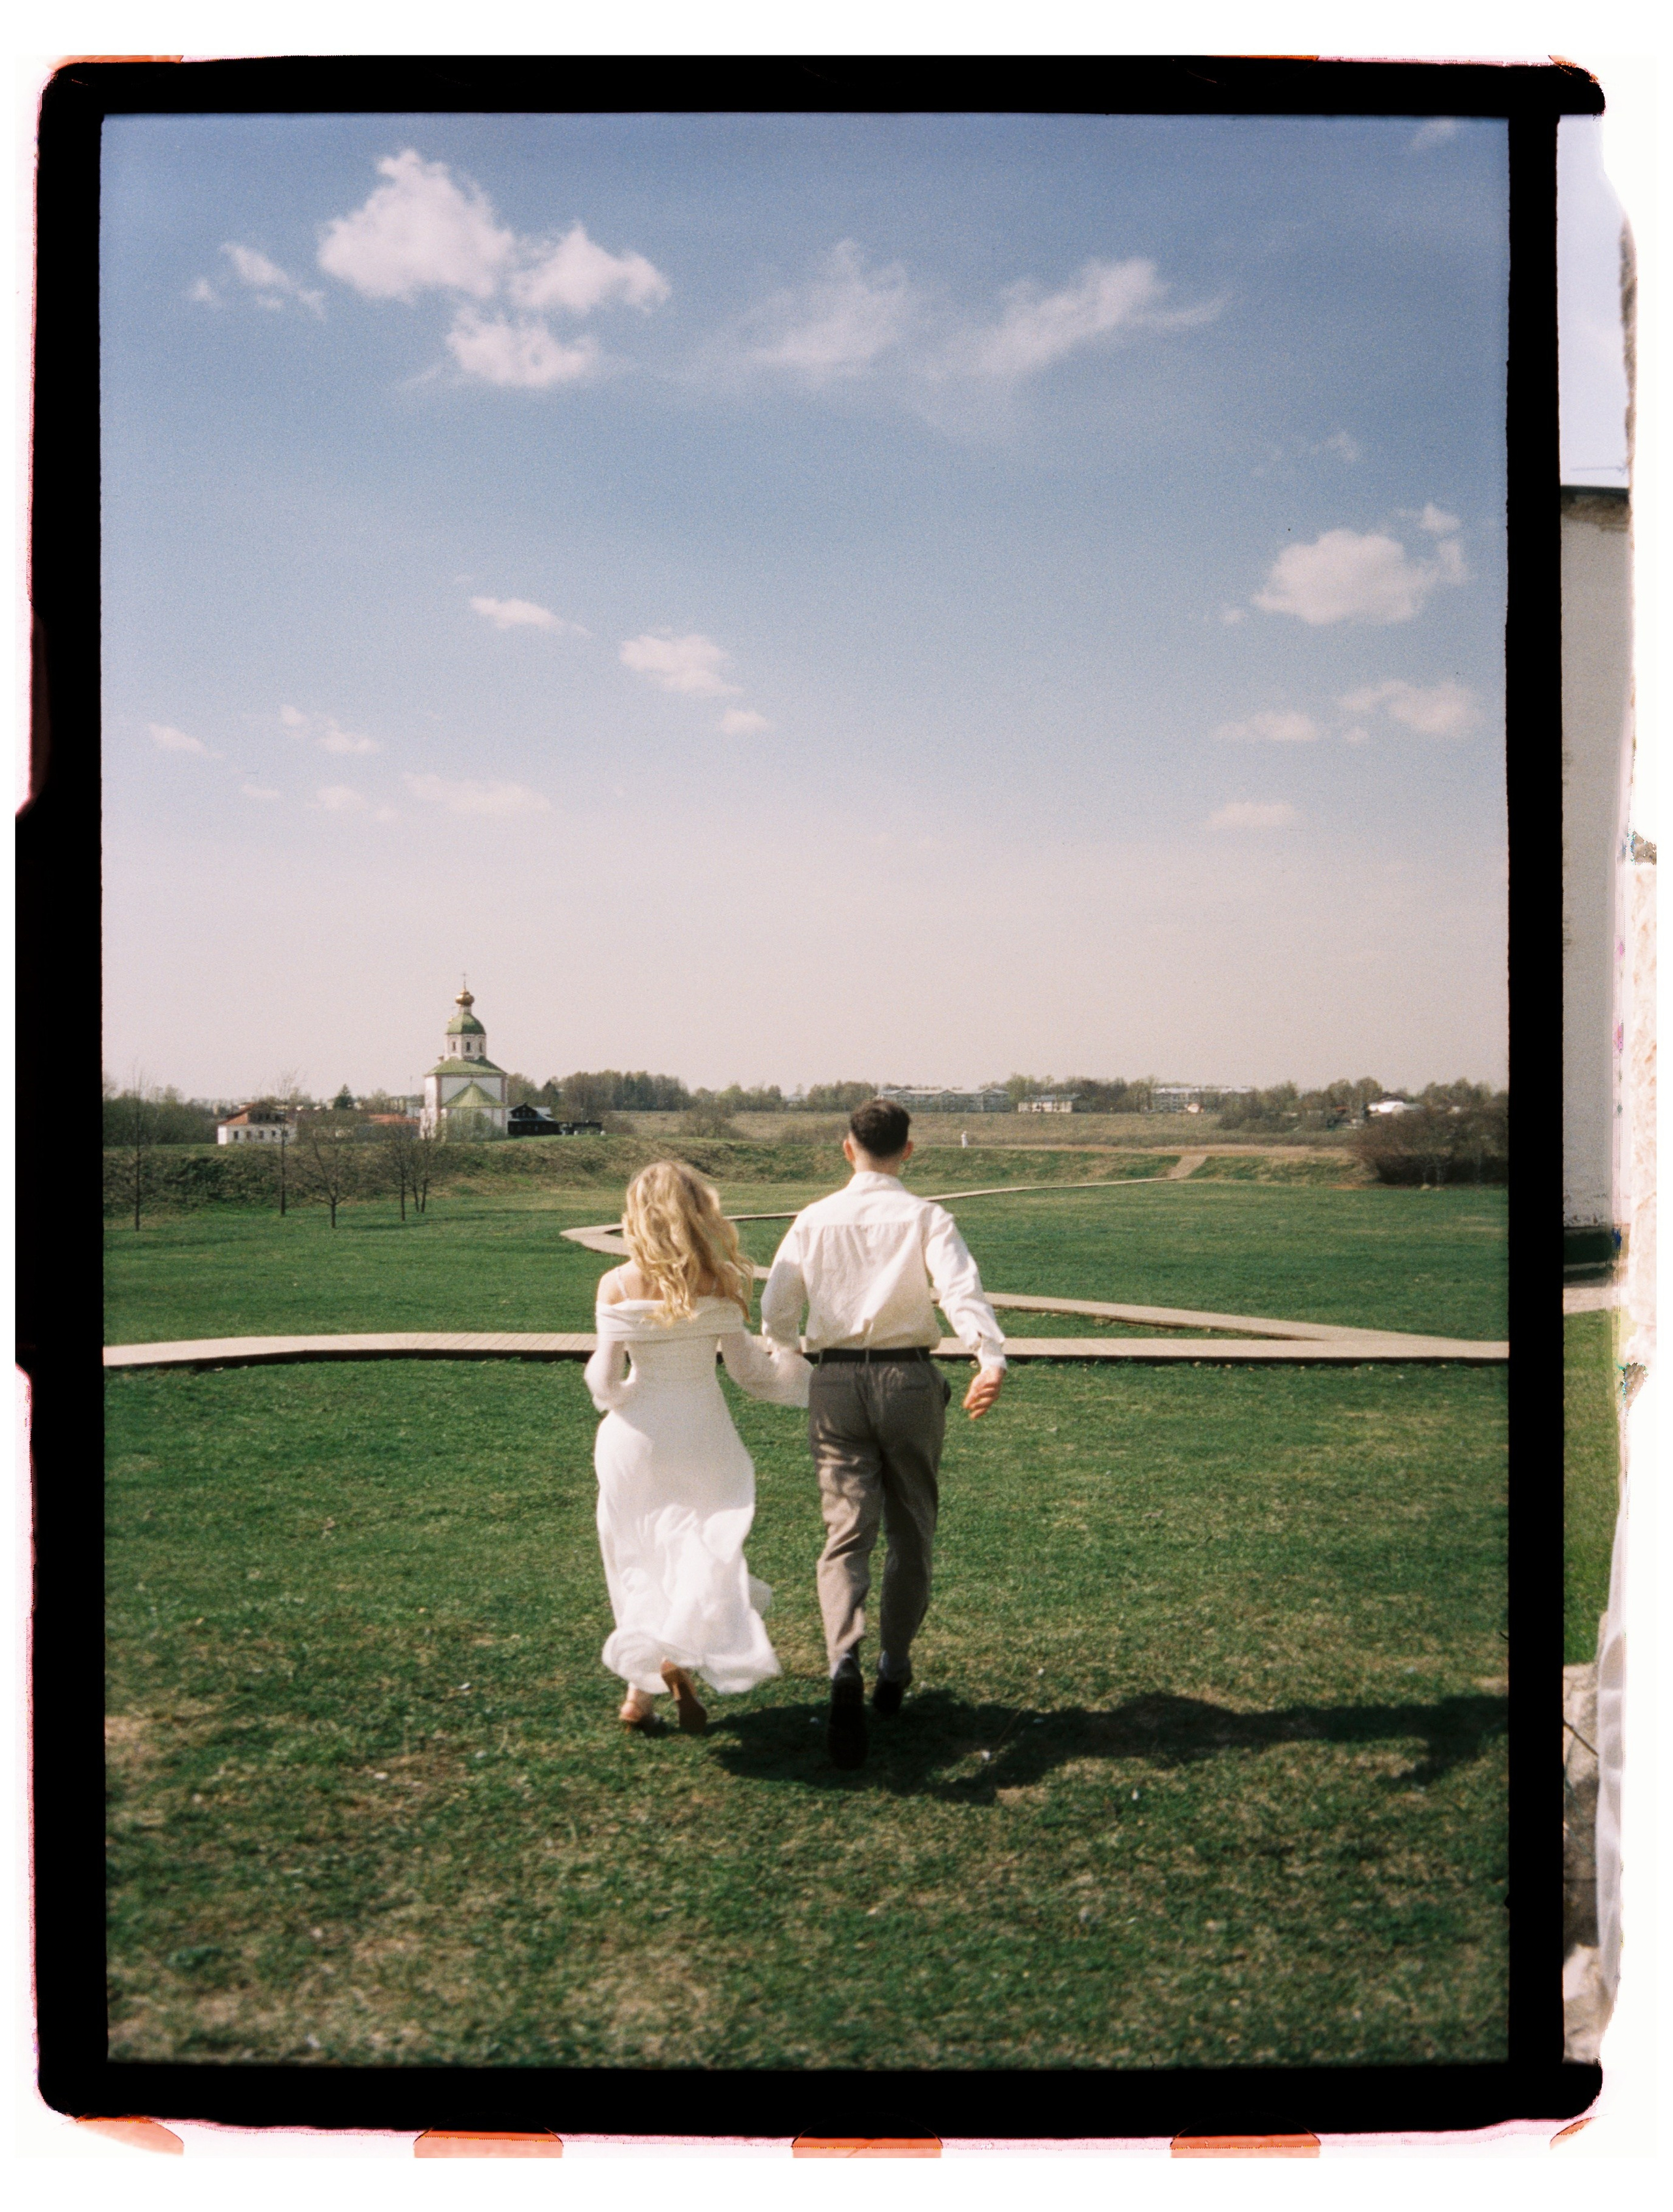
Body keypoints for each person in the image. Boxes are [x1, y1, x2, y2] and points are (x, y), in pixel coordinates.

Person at [761, 1098, 1006, 1768]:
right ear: (908, 1151)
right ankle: (893, 1664)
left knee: (846, 1532)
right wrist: (989, 1357)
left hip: (835, 1380)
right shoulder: (927, 1216)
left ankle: (844, 1661)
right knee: (912, 1530)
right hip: (908, 1381)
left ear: (847, 1148)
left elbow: (777, 1307)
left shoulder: (812, 1219)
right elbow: (961, 1290)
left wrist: (791, 1359)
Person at [584, 1160, 810, 1735]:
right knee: (699, 1552)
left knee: (637, 1557)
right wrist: (800, 1373)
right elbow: (750, 1375)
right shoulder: (722, 1282)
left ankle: (641, 1696)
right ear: (698, 1213)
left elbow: (606, 1385)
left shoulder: (615, 1285)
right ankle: (669, 1663)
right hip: (703, 1435)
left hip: (636, 1438)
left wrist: (634, 1389)